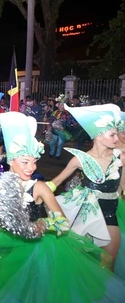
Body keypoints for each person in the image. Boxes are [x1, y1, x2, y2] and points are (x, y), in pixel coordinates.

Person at [0, 111, 125, 302]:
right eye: (25, 162)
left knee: (39, 291)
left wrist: (43, 224)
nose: (31, 168)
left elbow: (62, 223)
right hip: (9, 247)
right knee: (15, 289)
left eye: (34, 162)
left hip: (39, 250)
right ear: (10, 160)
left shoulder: (39, 187)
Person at [48, 104, 124, 273]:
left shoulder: (121, 157)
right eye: (112, 135)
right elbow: (57, 181)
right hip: (85, 217)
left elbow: (123, 185)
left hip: (111, 214)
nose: (116, 139)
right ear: (98, 136)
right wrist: (34, 192)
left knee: (108, 262)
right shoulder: (80, 160)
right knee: (78, 263)